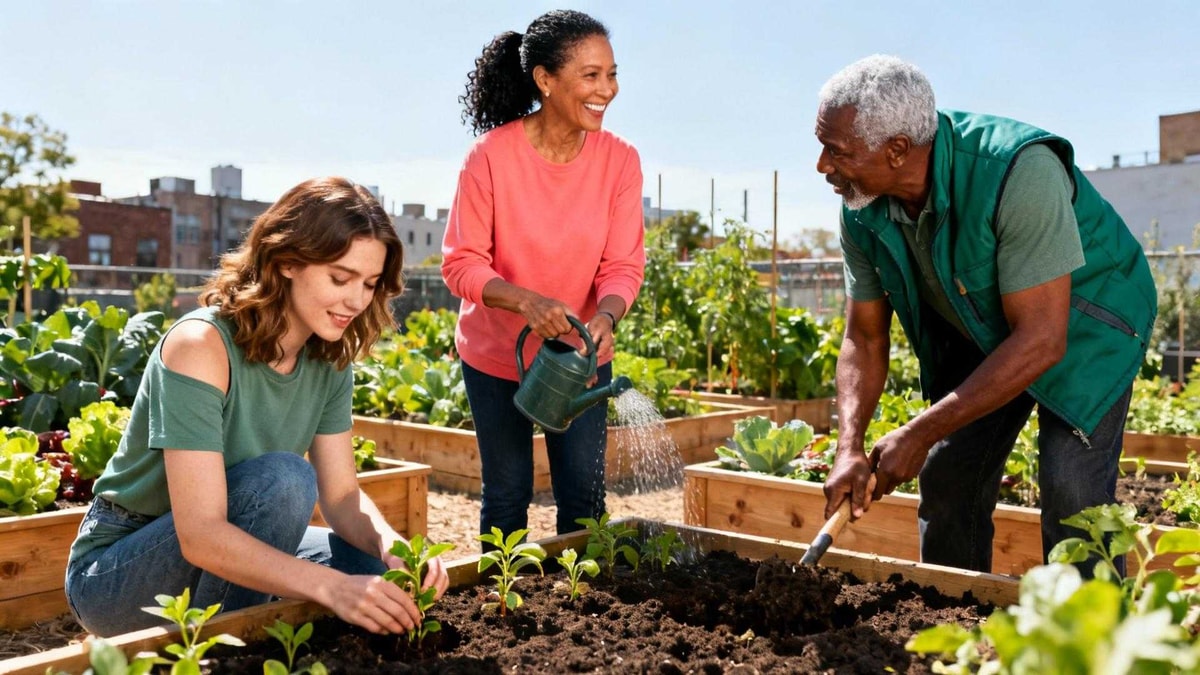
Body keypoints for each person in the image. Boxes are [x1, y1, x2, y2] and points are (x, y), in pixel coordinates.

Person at [815, 55, 1156, 574]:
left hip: (1086, 326)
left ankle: (1090, 648)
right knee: (950, 478)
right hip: (984, 326)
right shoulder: (863, 206)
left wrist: (919, 431)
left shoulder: (1017, 172)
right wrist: (849, 447)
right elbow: (863, 338)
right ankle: (954, 632)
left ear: (897, 150)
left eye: (836, 151)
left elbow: (1042, 338)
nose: (823, 165)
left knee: (1072, 494)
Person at [65, 177, 449, 636]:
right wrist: (330, 588)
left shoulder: (328, 357)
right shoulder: (201, 345)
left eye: (369, 283)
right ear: (287, 261)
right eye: (340, 277)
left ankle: (257, 627)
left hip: (237, 528)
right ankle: (228, 655)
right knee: (285, 482)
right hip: (120, 571)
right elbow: (201, 534)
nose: (356, 300)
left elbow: (343, 498)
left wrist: (395, 548)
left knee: (377, 573)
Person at [442, 9, 645, 542]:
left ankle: (587, 615)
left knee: (583, 497)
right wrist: (527, 303)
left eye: (612, 74)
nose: (608, 89)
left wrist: (606, 315)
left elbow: (623, 266)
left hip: (579, 359)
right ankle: (499, 609)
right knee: (507, 496)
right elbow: (461, 263)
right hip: (494, 357)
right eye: (591, 75)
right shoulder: (489, 158)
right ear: (545, 80)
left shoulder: (620, 161)